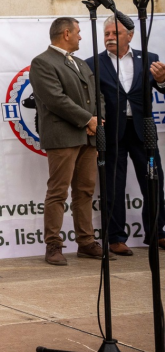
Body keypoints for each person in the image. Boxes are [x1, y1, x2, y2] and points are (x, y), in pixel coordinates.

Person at [28, 17, 102, 266]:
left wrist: (97, 119)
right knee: (58, 192)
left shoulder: (80, 63)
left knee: (85, 190)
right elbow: (55, 99)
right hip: (63, 136)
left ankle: (86, 242)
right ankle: (53, 244)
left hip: (87, 137)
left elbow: (97, 94)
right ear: (66, 33)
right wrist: (87, 119)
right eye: (78, 32)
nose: (81, 36)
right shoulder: (42, 62)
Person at [97, 17, 165, 254]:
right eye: (106, 34)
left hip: (143, 131)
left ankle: (157, 233)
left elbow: (163, 89)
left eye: (114, 33)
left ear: (130, 35)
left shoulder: (149, 58)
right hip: (112, 132)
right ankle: (115, 237)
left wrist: (162, 80)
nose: (109, 37)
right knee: (113, 186)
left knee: (154, 182)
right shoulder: (93, 63)